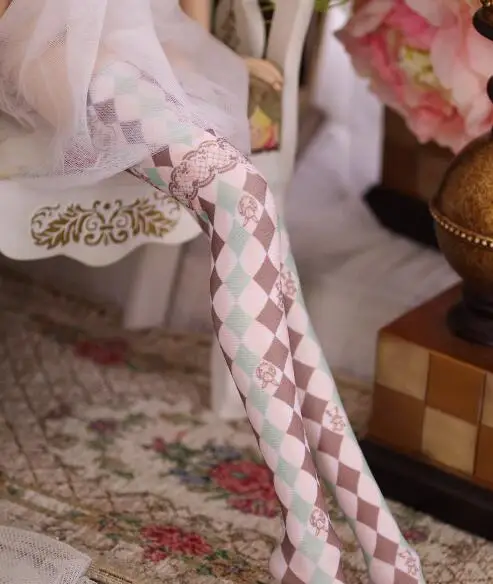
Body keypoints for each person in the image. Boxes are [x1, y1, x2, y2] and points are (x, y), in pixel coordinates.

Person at [0, 1, 425, 582]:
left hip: (137, 39)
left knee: (254, 217)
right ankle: (352, 541)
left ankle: (353, 543)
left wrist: (201, 53)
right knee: (243, 197)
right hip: (48, 44)